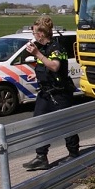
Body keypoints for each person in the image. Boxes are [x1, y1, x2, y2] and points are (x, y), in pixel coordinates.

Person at [22, 15, 80, 170]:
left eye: (34, 33)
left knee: (65, 124)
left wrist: (37, 54)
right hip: (45, 93)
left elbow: (54, 66)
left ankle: (74, 154)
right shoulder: (42, 49)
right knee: (39, 124)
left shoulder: (56, 48)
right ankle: (41, 157)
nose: (33, 36)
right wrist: (38, 74)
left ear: (41, 33)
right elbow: (45, 67)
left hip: (60, 94)